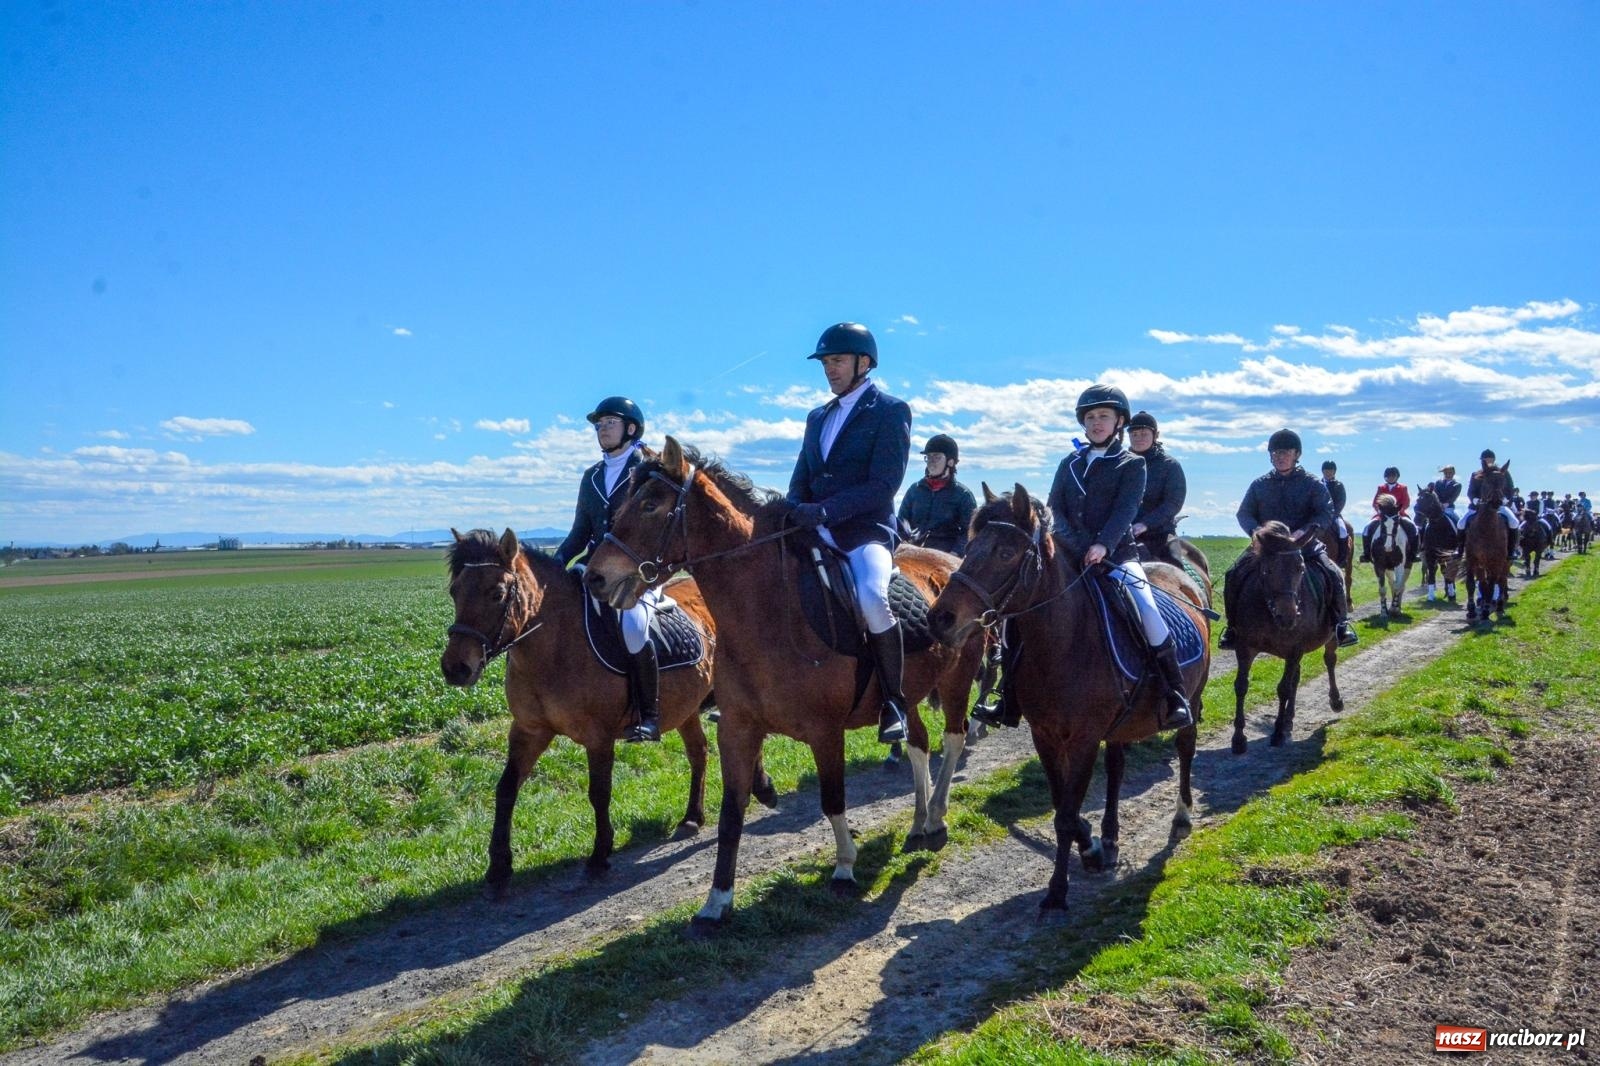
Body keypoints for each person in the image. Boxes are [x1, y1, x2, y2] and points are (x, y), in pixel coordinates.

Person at [787, 322, 914, 745]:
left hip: (865, 531)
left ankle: (894, 702)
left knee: (873, 598)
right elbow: (801, 477)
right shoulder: (817, 416)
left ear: (864, 362)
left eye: (837, 361)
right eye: (825, 362)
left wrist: (826, 510)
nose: (830, 369)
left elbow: (884, 484)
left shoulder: (890, 410)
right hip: (814, 530)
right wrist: (791, 510)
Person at [1043, 385, 1194, 730]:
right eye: (1090, 417)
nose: (1096, 423)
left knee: (1146, 607)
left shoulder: (1132, 464)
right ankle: (1007, 695)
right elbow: (1055, 508)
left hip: (1116, 555)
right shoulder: (1069, 463)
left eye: (1104, 416)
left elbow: (1125, 511)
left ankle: (1174, 692)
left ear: (1119, 422)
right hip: (1070, 555)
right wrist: (1076, 545)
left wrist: (1103, 546)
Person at [555, 396, 663, 742]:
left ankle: (649, 715)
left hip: (636, 569)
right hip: (594, 567)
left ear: (631, 429)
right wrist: (556, 564)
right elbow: (579, 533)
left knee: (633, 627)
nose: (602, 429)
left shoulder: (647, 470)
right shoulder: (591, 477)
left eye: (609, 423)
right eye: (599, 425)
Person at [1221, 429, 1359, 649]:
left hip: (1304, 545)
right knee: (1233, 573)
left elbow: (1325, 512)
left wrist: (1304, 531)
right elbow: (1244, 513)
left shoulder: (1312, 484)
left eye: (1285, 452)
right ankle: (1232, 629)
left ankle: (1341, 625)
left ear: (1297, 454)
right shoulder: (1259, 485)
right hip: (1268, 548)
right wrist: (1257, 532)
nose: (1280, 457)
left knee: (1333, 573)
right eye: (1275, 453)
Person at [897, 434, 978, 556]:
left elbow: (969, 532)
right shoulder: (914, 490)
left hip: (946, 556)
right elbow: (902, 521)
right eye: (928, 457)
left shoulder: (963, 496)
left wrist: (955, 553)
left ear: (950, 462)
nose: (931, 462)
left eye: (937, 457)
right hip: (912, 552)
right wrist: (902, 544)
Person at [1126, 410, 1187, 564]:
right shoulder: (1120, 465)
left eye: (1144, 434)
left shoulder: (1170, 466)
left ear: (1156, 435)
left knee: (1175, 565)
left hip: (1160, 534)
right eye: (1134, 434)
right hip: (1122, 533)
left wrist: (1145, 524)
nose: (1138, 438)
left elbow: (1173, 502)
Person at [1458, 448, 1519, 560]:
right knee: (1461, 523)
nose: (1488, 461)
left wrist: (1505, 500)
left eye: (1490, 459)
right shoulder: (1476, 474)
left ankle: (1511, 551)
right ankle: (1460, 550)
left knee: (1514, 522)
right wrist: (1476, 500)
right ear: (1482, 461)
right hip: (1478, 507)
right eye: (1485, 459)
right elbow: (1471, 492)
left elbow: (1510, 489)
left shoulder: (1504, 472)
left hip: (1499, 506)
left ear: (1494, 459)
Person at [1359, 466, 1416, 563]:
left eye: (1393, 476)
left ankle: (1413, 554)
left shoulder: (1403, 488)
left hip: (1398, 515)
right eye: (1389, 476)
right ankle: (1366, 553)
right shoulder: (1381, 488)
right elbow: (1375, 503)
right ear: (1386, 477)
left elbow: (1406, 502)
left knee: (1413, 528)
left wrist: (1398, 512)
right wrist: (1380, 512)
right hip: (1383, 516)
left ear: (1397, 477)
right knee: (1366, 528)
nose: (1391, 478)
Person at [1320, 460, 1350, 562]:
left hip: (1334, 515)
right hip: (1318, 515)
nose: (1328, 473)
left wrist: (1332, 514)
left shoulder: (1339, 485)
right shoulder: (1317, 484)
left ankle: (1343, 557)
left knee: (1343, 530)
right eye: (1326, 470)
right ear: (1323, 471)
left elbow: (1341, 501)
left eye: (1331, 471)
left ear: (1334, 472)